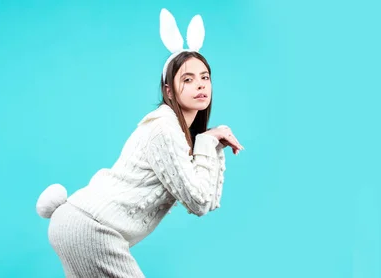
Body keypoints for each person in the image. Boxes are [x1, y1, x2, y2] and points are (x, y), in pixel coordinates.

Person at [34, 8, 243, 278]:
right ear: (168, 90)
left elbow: (208, 200)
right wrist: (205, 142)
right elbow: (198, 202)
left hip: (78, 222)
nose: (200, 85)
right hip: (91, 227)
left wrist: (208, 146)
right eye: (187, 79)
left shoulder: (180, 134)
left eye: (205, 77)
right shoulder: (164, 129)